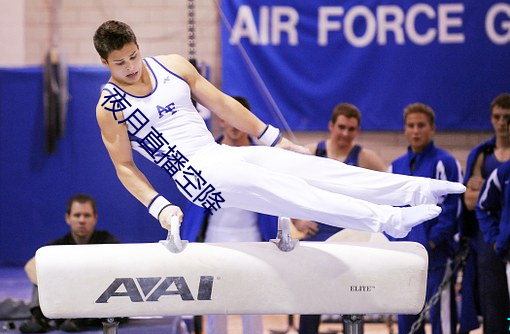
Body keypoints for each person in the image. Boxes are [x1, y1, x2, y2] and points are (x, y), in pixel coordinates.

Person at [93, 20, 464, 248]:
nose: (130, 68)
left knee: (314, 169)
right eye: (119, 63)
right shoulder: (110, 106)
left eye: (133, 56)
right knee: (296, 194)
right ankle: (387, 221)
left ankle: (412, 189)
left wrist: (273, 138)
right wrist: (159, 207)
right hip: (198, 176)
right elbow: (124, 167)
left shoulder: (172, 65)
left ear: (139, 46)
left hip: (220, 155)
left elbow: (223, 103)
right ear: (105, 63)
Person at [181, 96, 278, 334]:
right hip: (215, 238)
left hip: (254, 239)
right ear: (221, 120)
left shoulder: (262, 159)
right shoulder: (204, 155)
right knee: (215, 306)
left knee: (253, 306)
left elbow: (275, 199)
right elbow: (192, 200)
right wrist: (187, 239)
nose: (235, 126)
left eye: (240, 120)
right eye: (229, 119)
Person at [295, 102, 386, 334]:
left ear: (357, 131)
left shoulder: (365, 158)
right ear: (331, 126)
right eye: (341, 127)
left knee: (353, 300)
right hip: (317, 235)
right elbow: (285, 189)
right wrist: (297, 219)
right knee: (310, 302)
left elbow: (389, 192)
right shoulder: (311, 152)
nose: (345, 134)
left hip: (351, 239)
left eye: (351, 129)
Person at [387, 103, 462, 334]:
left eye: (421, 125)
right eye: (411, 126)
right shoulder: (395, 167)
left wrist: (432, 241)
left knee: (442, 320)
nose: (416, 131)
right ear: (405, 130)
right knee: (407, 321)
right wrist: (395, 243)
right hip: (405, 259)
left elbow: (452, 209)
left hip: (436, 257)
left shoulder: (445, 163)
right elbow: (388, 209)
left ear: (432, 129)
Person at [19, 194, 120, 334]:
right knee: (42, 270)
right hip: (65, 298)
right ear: (68, 218)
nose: (82, 220)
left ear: (95, 218)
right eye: (77, 215)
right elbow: (30, 266)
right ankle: (38, 318)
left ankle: (80, 319)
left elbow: (118, 270)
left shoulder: (108, 242)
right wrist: (60, 283)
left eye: (87, 215)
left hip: (96, 301)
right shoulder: (57, 246)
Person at [460, 93, 510, 334]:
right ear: (491, 119)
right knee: (493, 304)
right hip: (489, 238)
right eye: (497, 117)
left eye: (507, 118)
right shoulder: (482, 154)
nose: (502, 123)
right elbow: (469, 202)